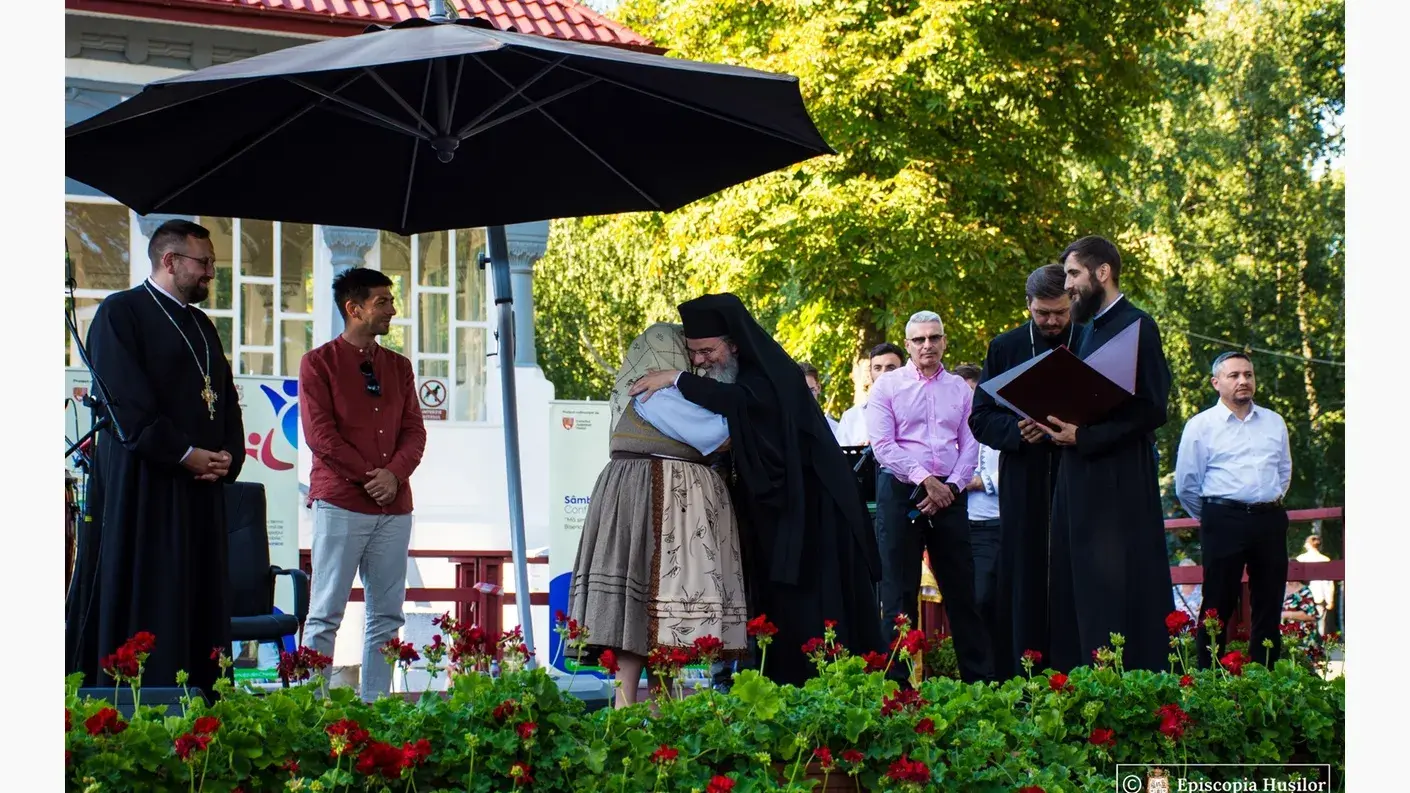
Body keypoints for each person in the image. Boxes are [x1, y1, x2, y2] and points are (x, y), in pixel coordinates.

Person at [629, 293, 883, 687]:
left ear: (733, 344)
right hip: (776, 515)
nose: (699, 361)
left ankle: (827, 689)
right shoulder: (743, 379)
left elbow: (742, 402)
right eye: (692, 354)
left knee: (818, 610)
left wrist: (675, 378)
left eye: (707, 351)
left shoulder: (769, 375)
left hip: (814, 514)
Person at [66, 219, 245, 697]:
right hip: (146, 486)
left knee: (199, 596)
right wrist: (184, 453)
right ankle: (144, 702)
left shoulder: (203, 325)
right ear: (170, 261)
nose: (211, 272)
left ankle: (205, 702)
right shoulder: (120, 313)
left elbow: (225, 398)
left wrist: (228, 454)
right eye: (204, 262)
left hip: (201, 488)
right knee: (153, 591)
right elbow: (125, 402)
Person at [569, 322, 748, 706]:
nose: (696, 362)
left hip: (649, 499)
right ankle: (630, 709)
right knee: (642, 609)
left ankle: (655, 707)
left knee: (653, 612)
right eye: (688, 354)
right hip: (653, 500)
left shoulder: (664, 393)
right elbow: (719, 435)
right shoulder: (656, 394)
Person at [1040, 236, 1173, 673]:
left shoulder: (1139, 325)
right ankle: (1083, 680)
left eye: (1074, 274)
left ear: (1103, 273)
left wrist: (1086, 437)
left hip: (1120, 480)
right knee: (1078, 586)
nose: (1068, 285)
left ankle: (1128, 684)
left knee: (1117, 588)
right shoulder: (1085, 331)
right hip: (1078, 476)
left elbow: (1153, 408)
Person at [300, 267, 427, 701]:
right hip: (340, 502)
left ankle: (376, 707)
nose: (392, 310)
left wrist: (394, 475)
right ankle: (310, 709)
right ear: (354, 309)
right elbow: (321, 436)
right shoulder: (318, 364)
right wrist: (372, 478)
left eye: (391, 301)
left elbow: (414, 431)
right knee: (325, 613)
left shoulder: (399, 367)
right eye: (382, 302)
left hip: (394, 507)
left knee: (387, 616)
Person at [867, 311, 994, 683]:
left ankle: (979, 684)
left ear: (944, 342)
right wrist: (926, 480)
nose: (928, 345)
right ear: (908, 345)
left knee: (963, 591)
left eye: (934, 337)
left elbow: (971, 444)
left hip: (950, 496)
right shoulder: (887, 387)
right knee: (898, 593)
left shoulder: (959, 389)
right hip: (900, 492)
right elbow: (883, 445)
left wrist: (950, 488)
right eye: (920, 339)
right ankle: (897, 688)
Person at [966, 263, 1075, 678]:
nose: (1051, 322)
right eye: (1042, 313)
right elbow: (981, 418)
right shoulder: (1005, 347)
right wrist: (1015, 430)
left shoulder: (1087, 340)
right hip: (1024, 480)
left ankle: (1075, 671)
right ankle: (1023, 675)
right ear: (1028, 304)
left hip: (1075, 473)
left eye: (1060, 312)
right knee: (1023, 579)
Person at [1174, 351, 1292, 668]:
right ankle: (1208, 678)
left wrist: (1264, 500)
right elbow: (1186, 484)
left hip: (1269, 519)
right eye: (1234, 375)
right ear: (1216, 383)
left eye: (1248, 375)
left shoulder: (1274, 422)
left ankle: (1266, 676)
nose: (1243, 381)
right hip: (1223, 520)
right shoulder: (1200, 426)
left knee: (1269, 602)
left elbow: (1283, 473)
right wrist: (1215, 516)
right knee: (1217, 603)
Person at [955, 363, 1003, 671]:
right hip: (961, 524)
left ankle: (995, 668)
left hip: (993, 522)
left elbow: (1011, 470)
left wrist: (978, 482)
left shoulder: (994, 425)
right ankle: (976, 670)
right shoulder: (949, 427)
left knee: (987, 597)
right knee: (968, 599)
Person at [836, 343, 905, 446]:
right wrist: (858, 452)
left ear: (903, 371)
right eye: (877, 368)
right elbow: (839, 455)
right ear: (870, 372)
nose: (883, 374)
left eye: (890, 368)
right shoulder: (851, 417)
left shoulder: (918, 411)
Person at [1296, 534, 1335, 636]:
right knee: (1321, 624)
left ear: (1308, 545)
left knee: (1304, 624)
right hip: (1320, 597)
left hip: (1303, 596)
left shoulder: (1300, 559)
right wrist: (1330, 600)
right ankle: (1321, 644)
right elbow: (1328, 582)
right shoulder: (1325, 559)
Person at [799, 362, 843, 440]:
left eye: (811, 390)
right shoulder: (783, 430)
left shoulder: (835, 429)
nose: (806, 396)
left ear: (818, 388)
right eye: (801, 391)